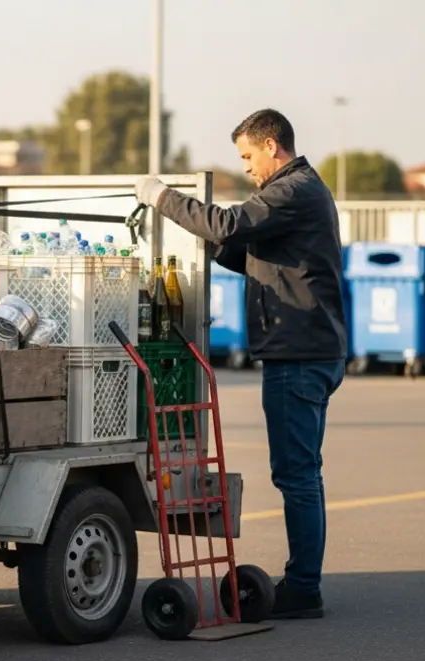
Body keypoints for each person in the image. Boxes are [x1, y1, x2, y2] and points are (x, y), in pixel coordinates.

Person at [133, 108, 348, 619]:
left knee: (296, 475)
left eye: (249, 156)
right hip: (310, 349)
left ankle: (303, 589)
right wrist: (206, 247)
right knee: (302, 473)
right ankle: (303, 581)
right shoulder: (302, 194)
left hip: (298, 355)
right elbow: (250, 252)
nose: (248, 168)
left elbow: (230, 223)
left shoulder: (293, 190)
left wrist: (162, 197)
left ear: (272, 146)